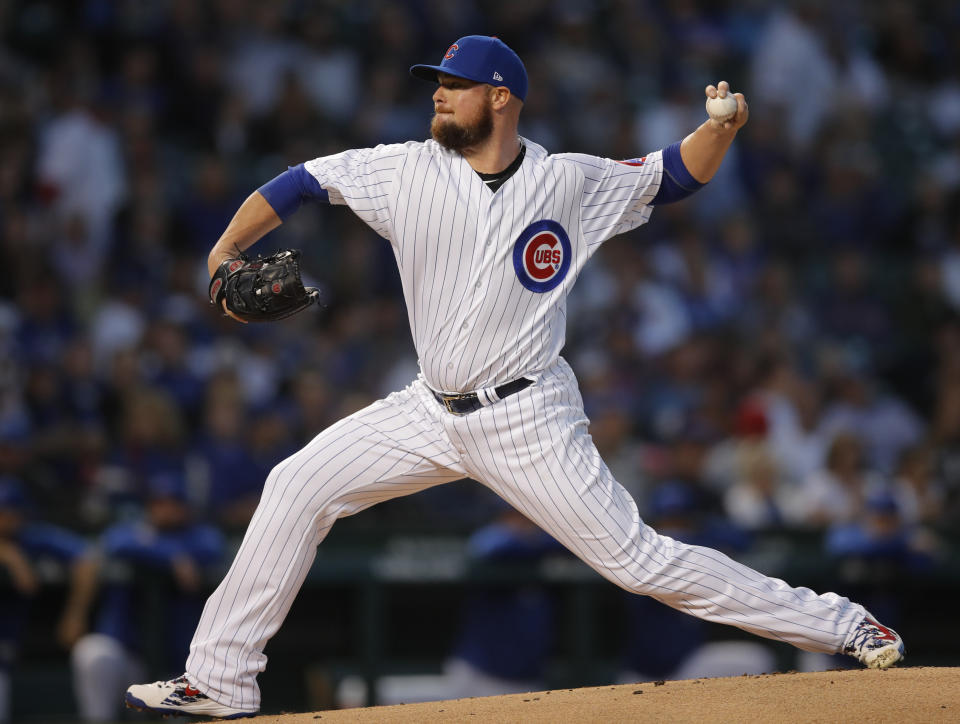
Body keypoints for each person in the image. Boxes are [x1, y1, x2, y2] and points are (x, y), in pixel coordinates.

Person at [125, 36, 904, 719]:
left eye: (454, 82)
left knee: (641, 562)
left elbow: (672, 176)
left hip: (527, 416)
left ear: (500, 97)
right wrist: (223, 255)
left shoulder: (566, 180)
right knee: (296, 485)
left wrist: (721, 127)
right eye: (436, 80)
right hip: (427, 411)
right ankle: (221, 680)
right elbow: (296, 183)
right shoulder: (403, 170)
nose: (438, 91)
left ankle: (843, 624)